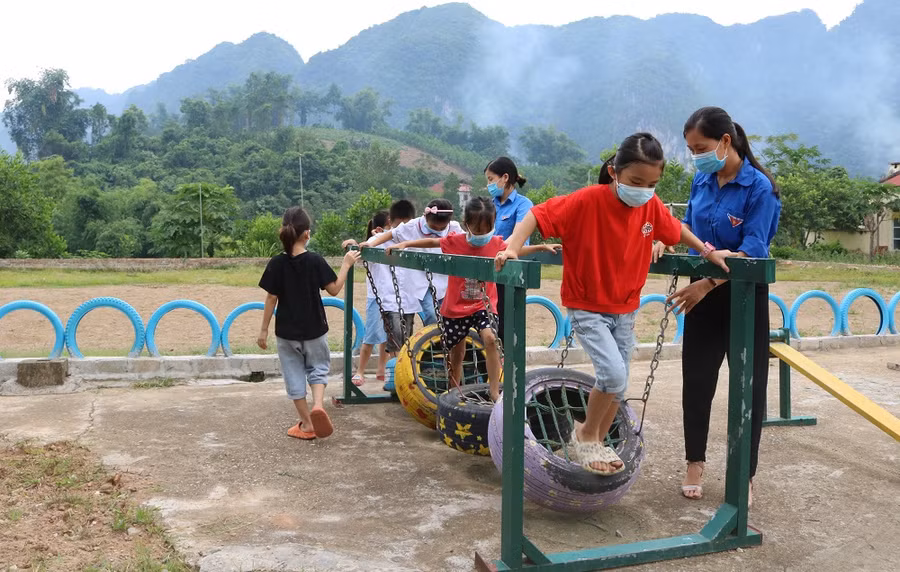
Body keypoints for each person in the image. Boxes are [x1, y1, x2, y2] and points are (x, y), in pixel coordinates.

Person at [496, 132, 733, 475]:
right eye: (636, 181)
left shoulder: (649, 205)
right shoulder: (587, 200)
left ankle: (596, 438)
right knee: (612, 373)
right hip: (587, 305)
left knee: (619, 384)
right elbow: (537, 215)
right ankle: (587, 434)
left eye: (652, 183)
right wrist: (514, 246)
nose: (644, 190)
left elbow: (676, 230)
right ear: (614, 172)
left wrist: (707, 251)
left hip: (625, 307)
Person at [659, 107, 781, 505]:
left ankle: (744, 471)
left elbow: (754, 249)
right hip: (702, 297)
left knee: (749, 388)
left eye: (701, 147)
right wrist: (669, 239)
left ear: (725, 142)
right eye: (692, 149)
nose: (696, 155)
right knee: (696, 381)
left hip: (743, 296)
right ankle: (695, 461)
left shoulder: (758, 188)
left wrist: (708, 283)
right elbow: (692, 231)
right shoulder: (701, 181)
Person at [388, 197, 558, 401]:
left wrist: (540, 247)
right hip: (456, 308)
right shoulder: (455, 241)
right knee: (457, 353)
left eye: (486, 229)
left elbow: (516, 248)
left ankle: (494, 391)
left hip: (482, 306)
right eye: (477, 230)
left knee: (491, 339)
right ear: (466, 224)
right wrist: (405, 243)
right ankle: (453, 391)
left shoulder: (495, 243)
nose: (481, 235)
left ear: (493, 225)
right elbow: (432, 241)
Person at [257, 206, 360, 440]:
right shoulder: (315, 261)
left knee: (294, 376)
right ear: (307, 234)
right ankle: (318, 406)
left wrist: (263, 331)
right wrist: (345, 264)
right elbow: (334, 289)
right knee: (318, 369)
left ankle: (306, 424)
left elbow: (271, 298)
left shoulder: (276, 263)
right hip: (315, 329)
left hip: (286, 332)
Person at [343, 200, 420, 375]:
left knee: (399, 338)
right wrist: (353, 243)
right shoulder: (375, 242)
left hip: (404, 301)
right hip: (382, 299)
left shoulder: (412, 240)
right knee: (377, 337)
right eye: (398, 227)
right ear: (385, 227)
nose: (402, 231)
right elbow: (361, 251)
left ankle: (384, 371)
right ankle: (368, 372)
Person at [362, 198, 462, 325]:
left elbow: (465, 241)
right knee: (431, 314)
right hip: (422, 282)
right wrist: (371, 243)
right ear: (425, 217)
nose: (437, 230)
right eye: (433, 227)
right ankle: (434, 339)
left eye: (441, 228)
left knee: (448, 314)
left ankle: (441, 340)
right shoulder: (414, 226)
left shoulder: (454, 228)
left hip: (444, 279)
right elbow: (391, 234)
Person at [485, 156, 534, 342]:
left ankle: (507, 369)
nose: (489, 184)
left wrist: (499, 249)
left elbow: (518, 237)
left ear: (505, 178)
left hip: (509, 273)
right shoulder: (489, 205)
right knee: (486, 326)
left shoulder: (523, 205)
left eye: (491, 179)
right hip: (488, 272)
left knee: (506, 328)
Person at [349, 210, 391, 387]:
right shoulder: (371, 246)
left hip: (392, 297)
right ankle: (360, 371)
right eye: (392, 226)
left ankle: (382, 370)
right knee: (371, 336)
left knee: (388, 338)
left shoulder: (394, 244)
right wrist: (351, 243)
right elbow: (358, 248)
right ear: (381, 229)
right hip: (376, 297)